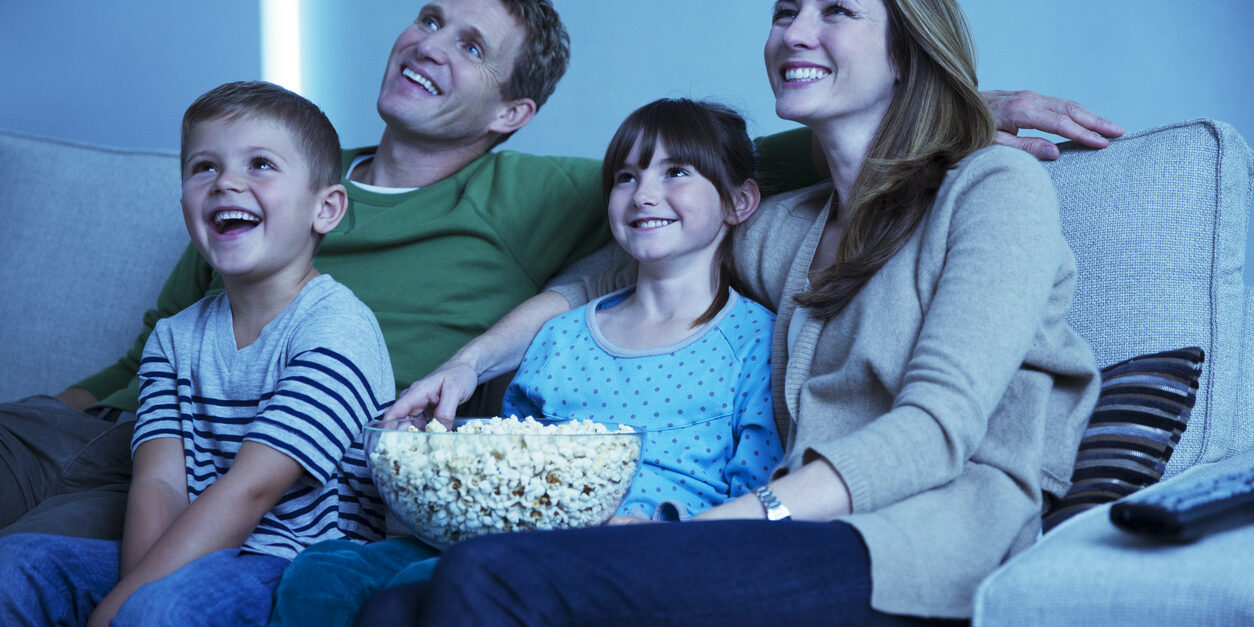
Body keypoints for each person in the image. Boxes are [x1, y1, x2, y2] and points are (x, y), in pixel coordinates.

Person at [0, 0, 1122, 543]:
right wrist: (71, 404)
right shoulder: (281, 173)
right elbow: (166, 335)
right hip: (127, 417)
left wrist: (970, 108)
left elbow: (697, 178)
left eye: (471, 45)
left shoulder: (538, 191)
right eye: (430, 16)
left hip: (280, 465)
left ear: (515, 111)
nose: (430, 41)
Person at [362, 0, 1102, 624]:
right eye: (786, 12)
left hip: (918, 548)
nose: (796, 32)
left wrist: (699, 533)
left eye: (836, 9)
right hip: (787, 538)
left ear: (907, 50)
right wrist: (467, 364)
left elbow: (936, 430)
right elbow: (616, 269)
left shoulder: (994, 190)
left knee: (486, 577)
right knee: (391, 610)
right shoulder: (794, 226)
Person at [268, 97, 784, 627]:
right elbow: (511, 460)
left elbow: (758, 492)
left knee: (403, 599)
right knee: (321, 571)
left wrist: (662, 531)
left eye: (676, 172)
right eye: (626, 177)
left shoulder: (755, 341)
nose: (644, 194)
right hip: (514, 537)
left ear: (738, 202)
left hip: (649, 553)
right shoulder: (561, 335)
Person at [0, 81, 395, 626]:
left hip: (296, 561)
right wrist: (129, 595)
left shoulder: (338, 328)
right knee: (18, 567)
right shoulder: (174, 338)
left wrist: (130, 606)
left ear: (325, 208)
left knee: (164, 608)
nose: (226, 182)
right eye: (204, 167)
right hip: (189, 550)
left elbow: (252, 488)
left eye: (260, 165)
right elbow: (159, 482)